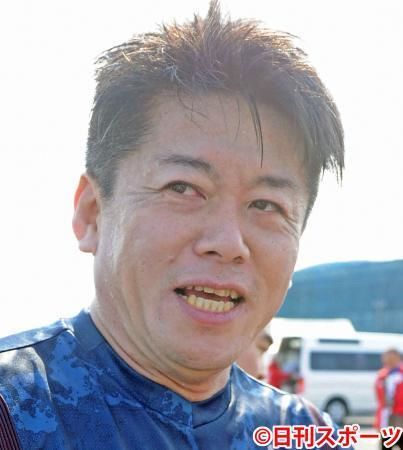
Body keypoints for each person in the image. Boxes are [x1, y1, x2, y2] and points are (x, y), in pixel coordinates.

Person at [0, 2, 349, 448]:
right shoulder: (14, 409)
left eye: (266, 204)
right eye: (183, 188)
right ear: (91, 213)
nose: (228, 242)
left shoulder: (306, 433)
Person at [375, 348, 403, 450]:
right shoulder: (382, 375)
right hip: (387, 416)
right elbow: (379, 396)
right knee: (386, 444)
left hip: (400, 416)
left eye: (391, 358)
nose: (388, 360)